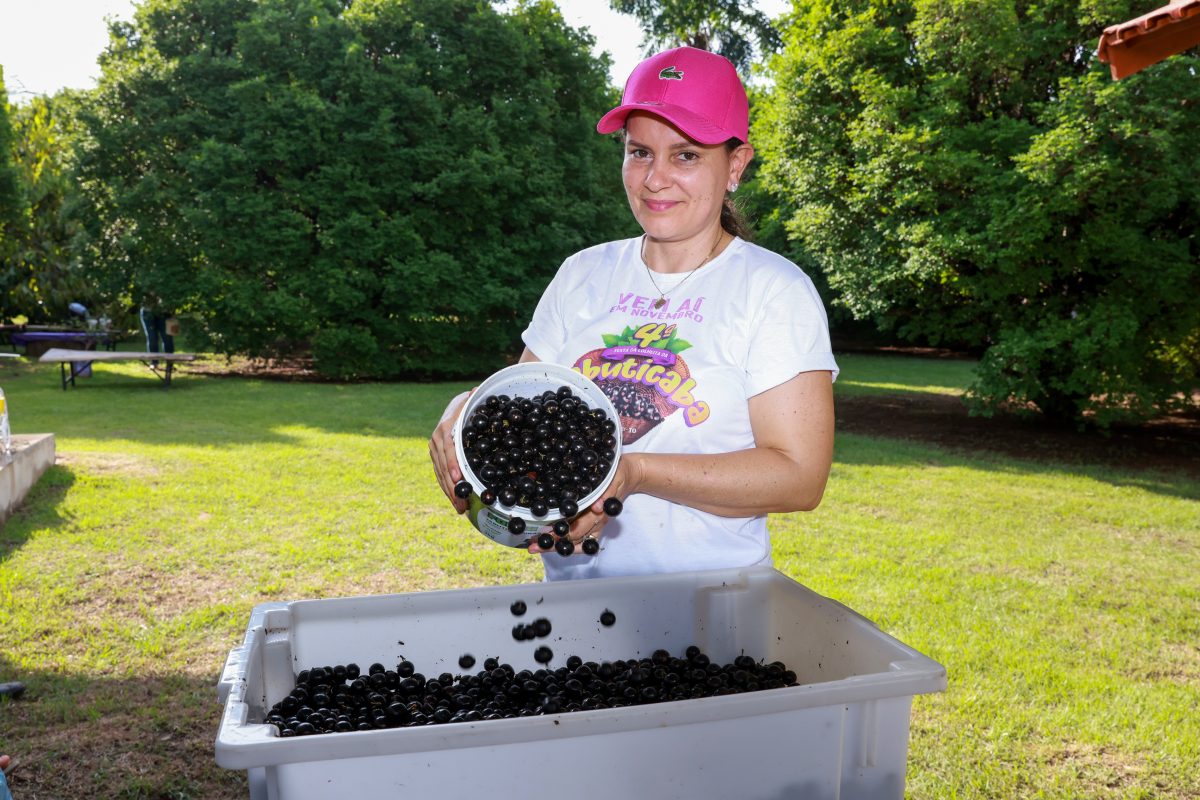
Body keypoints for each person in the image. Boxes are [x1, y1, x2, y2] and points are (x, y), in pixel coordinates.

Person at [430, 46, 837, 580]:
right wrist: (467, 409)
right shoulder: (583, 273)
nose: (654, 178)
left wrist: (635, 472)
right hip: (574, 617)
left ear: (735, 165)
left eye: (686, 155)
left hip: (710, 618)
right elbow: (523, 411)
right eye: (639, 151)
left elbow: (799, 477)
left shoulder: (773, 291)